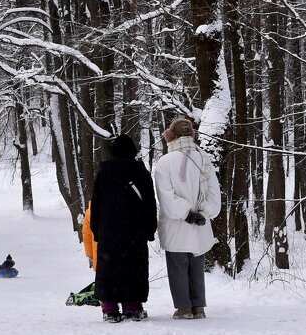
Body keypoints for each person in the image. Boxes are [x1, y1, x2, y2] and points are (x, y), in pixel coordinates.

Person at [153, 117, 222, 320]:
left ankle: (184, 308)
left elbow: (165, 196)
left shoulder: (164, 162)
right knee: (196, 267)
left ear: (171, 136)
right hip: (201, 224)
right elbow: (213, 193)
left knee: (178, 268)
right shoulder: (204, 158)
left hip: (176, 225)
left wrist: (186, 213)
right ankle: (199, 307)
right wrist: (203, 213)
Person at [89, 133, 157, 322]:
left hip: (108, 230)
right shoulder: (140, 172)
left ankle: (109, 308)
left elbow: (96, 204)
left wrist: (96, 229)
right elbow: (150, 204)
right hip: (134, 230)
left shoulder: (104, 172)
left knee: (109, 267)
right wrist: (150, 229)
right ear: (132, 151)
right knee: (132, 267)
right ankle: (131, 306)